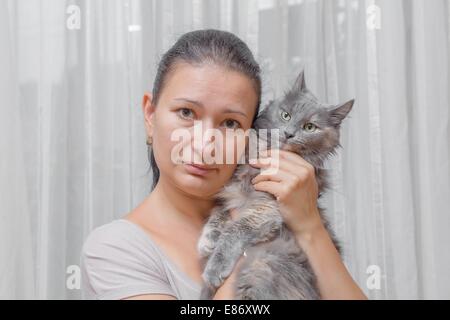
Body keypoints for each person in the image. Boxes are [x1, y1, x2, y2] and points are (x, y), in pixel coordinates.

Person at [80, 29, 367, 300]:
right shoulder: (114, 248)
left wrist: (308, 225)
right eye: (186, 112)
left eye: (230, 123)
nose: (205, 144)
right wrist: (247, 238)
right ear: (150, 116)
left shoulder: (298, 219)